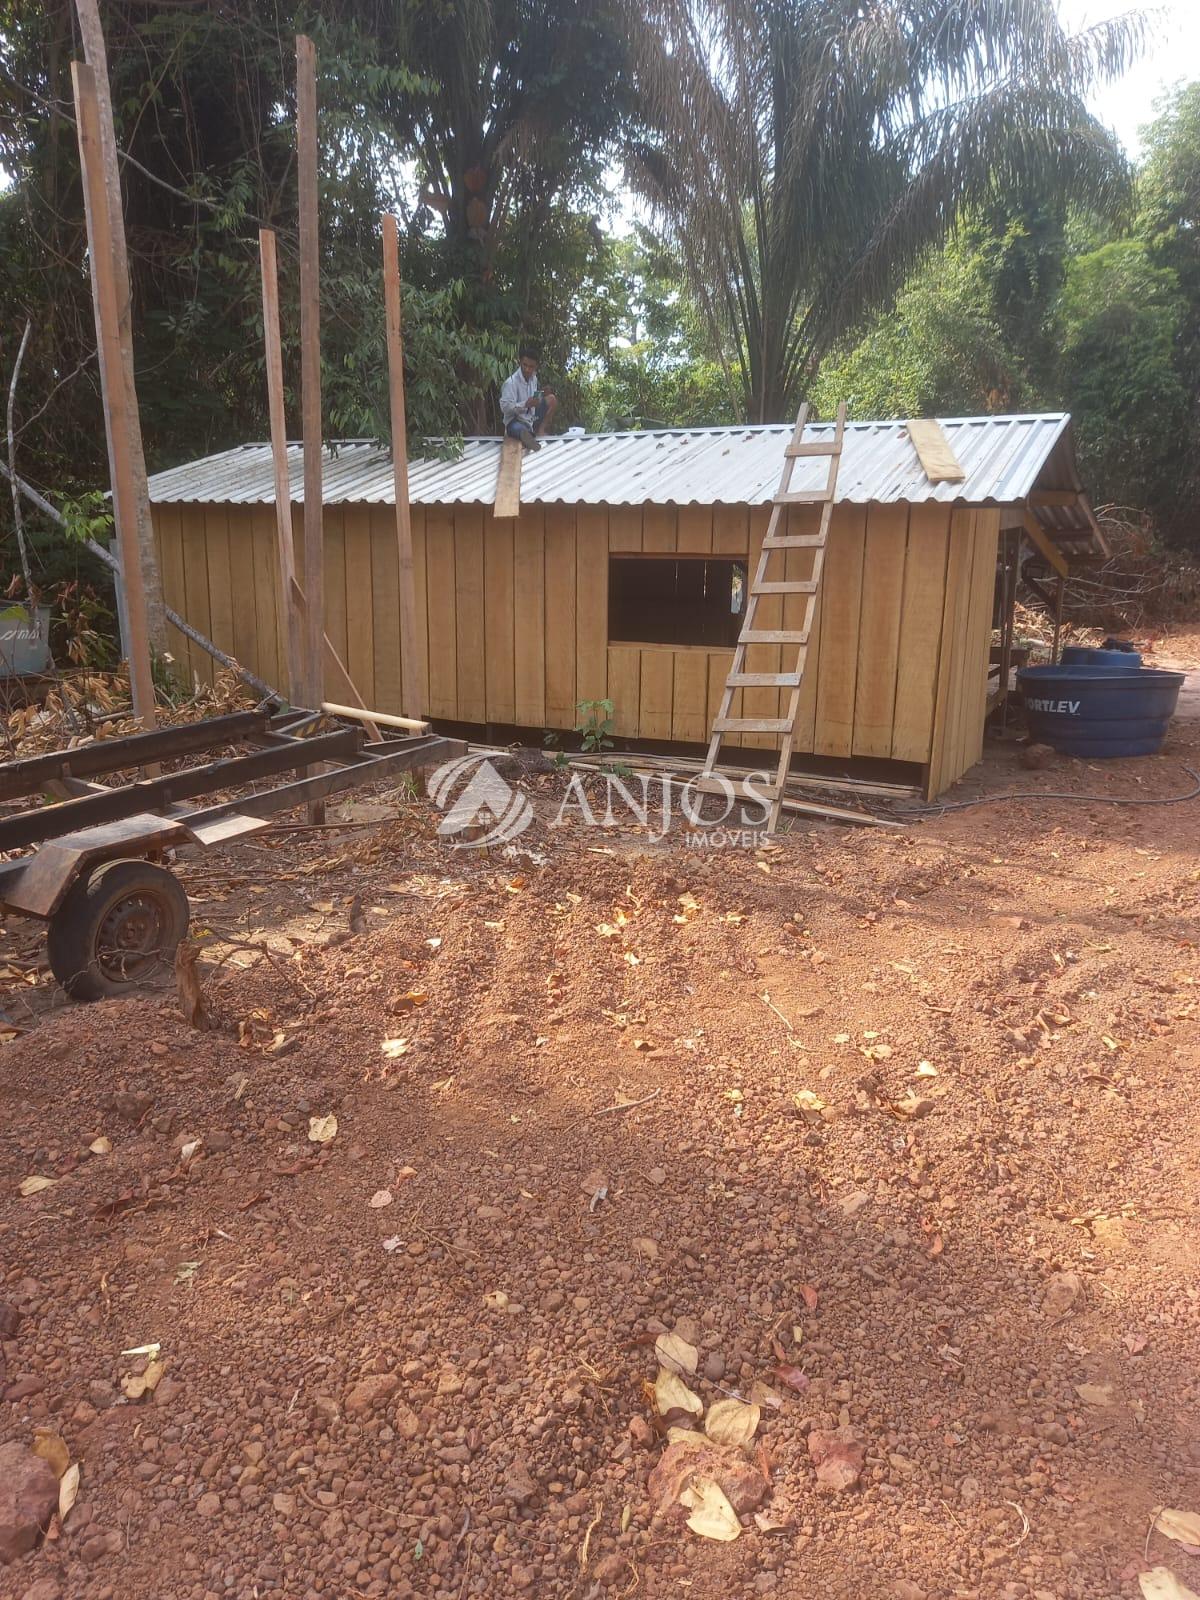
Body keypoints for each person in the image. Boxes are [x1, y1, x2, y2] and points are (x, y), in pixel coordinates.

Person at [499, 344, 558, 450]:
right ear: (520, 362)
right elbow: (505, 408)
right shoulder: (510, 383)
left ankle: (539, 431)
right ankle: (528, 437)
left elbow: (534, 398)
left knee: (552, 399)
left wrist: (541, 394)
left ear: (535, 367)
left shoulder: (534, 378)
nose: (527, 369)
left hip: (532, 417)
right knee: (517, 429)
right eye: (524, 365)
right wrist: (525, 404)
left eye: (531, 367)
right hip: (516, 421)